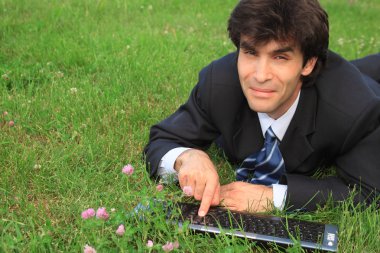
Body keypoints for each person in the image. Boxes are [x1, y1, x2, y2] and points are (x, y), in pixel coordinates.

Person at [144, 0, 380, 217]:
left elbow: (369, 191)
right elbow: (163, 139)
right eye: (250, 52)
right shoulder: (218, 83)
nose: (259, 76)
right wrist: (186, 157)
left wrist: (274, 197)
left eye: (280, 57)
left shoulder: (355, 110)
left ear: (308, 63)